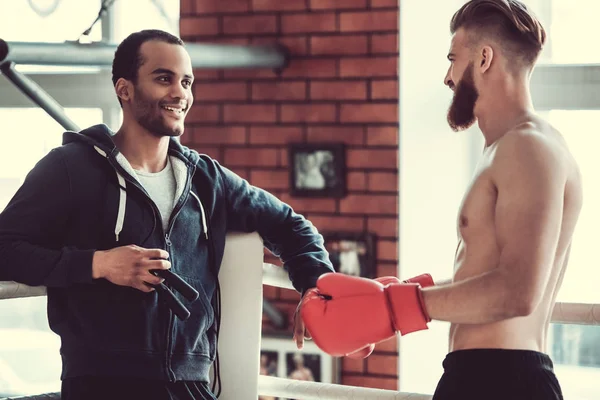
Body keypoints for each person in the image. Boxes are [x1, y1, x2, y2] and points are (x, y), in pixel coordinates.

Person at [0, 29, 334, 400]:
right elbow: (5, 248)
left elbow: (291, 225)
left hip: (190, 384)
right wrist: (99, 265)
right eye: (164, 79)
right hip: (100, 384)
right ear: (124, 89)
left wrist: (315, 284)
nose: (181, 93)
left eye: (187, 82)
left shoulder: (206, 179)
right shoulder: (69, 168)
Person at [302, 1, 583, 399]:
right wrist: (386, 302)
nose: (448, 76)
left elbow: (518, 290)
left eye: (454, 58)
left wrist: (396, 307)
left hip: (503, 380)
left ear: (484, 58)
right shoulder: (511, 148)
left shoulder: (528, 147)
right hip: (482, 374)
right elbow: (492, 273)